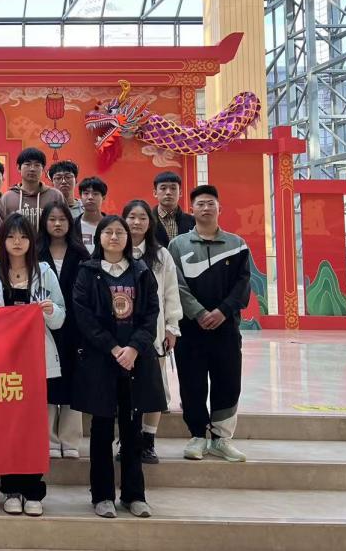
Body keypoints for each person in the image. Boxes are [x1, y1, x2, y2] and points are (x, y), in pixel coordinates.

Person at [71, 216, 166, 519]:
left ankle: (134, 495)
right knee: (100, 429)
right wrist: (113, 348)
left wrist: (134, 348)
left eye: (120, 232)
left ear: (128, 238)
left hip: (135, 362)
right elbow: (83, 316)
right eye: (108, 232)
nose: (114, 237)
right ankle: (102, 496)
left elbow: (151, 314)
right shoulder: (88, 272)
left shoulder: (141, 271)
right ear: (99, 237)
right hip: (102, 361)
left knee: (132, 430)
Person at [0, 213, 65, 517]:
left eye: (23, 237)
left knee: (34, 429)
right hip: (1, 363)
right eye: (11, 236)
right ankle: (11, 489)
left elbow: (61, 318)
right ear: (3, 240)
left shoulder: (45, 273)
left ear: (32, 241)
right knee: (7, 428)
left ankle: (33, 489)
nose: (17, 242)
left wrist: (50, 311)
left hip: (36, 362)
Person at [169, 185, 250, 463]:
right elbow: (175, 285)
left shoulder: (236, 244)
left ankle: (221, 439)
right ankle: (197, 436)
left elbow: (243, 284)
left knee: (228, 381)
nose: (206, 208)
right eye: (200, 204)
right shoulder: (178, 245)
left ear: (219, 208)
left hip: (226, 329)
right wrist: (199, 312)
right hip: (191, 330)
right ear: (191, 210)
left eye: (210, 203)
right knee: (191, 383)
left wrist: (223, 311)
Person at [123, 199, 182, 464]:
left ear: (150, 223)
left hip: (154, 332)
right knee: (125, 390)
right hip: (123, 335)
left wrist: (172, 327)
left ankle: (148, 441)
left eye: (142, 218)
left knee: (153, 389)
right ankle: (127, 440)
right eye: (131, 217)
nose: (136, 222)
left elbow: (171, 292)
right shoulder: (114, 251)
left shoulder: (161, 256)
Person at [37, 200, 89, 460]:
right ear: (44, 223)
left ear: (70, 223)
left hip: (76, 328)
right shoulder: (35, 253)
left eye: (62, 219)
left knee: (74, 381)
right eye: (52, 219)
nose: (57, 224)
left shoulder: (81, 255)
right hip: (43, 327)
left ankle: (69, 439)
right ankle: (48, 439)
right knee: (46, 380)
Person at [0, 147, 63, 228]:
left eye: (37, 165)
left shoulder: (55, 195)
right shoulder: (7, 198)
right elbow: (1, 229)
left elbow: (64, 224)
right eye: (27, 164)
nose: (32, 169)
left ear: (43, 169)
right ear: (18, 168)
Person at [152, 171, 194, 245]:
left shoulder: (193, 221)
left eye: (173, 188)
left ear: (180, 193)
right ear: (155, 193)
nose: (168, 192)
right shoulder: (147, 221)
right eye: (163, 188)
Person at [78, 176, 108, 253]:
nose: (90, 197)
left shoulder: (111, 224)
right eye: (86, 193)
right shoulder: (72, 225)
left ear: (103, 197)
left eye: (95, 194)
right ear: (80, 197)